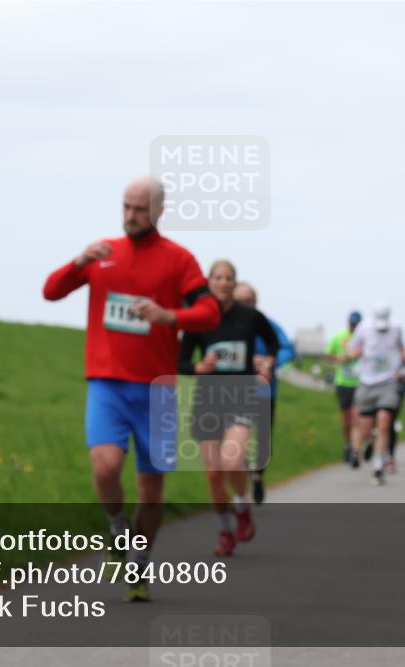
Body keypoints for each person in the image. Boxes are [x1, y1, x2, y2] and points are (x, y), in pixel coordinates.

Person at [42, 176, 221, 601]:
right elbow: (50, 292)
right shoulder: (103, 254)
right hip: (107, 382)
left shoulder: (179, 260)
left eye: (140, 209)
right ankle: (118, 529)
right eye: (125, 207)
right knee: (104, 467)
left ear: (158, 210)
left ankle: (139, 567)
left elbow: (210, 312)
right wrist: (78, 261)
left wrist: (169, 316)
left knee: (151, 489)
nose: (130, 216)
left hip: (157, 391)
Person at [181, 261, 279, 556]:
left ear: (234, 284)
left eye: (229, 278)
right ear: (209, 281)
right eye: (218, 277)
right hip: (208, 399)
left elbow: (273, 342)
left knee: (232, 461)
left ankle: (242, 504)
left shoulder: (249, 317)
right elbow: (179, 361)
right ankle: (225, 529)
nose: (223, 283)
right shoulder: (198, 319)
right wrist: (198, 367)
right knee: (213, 474)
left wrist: (267, 362)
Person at [232, 282, 296, 504]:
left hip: (264, 390)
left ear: (256, 302)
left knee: (262, 438)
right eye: (240, 301)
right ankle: (240, 485)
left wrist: (268, 362)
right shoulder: (228, 324)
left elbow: (287, 348)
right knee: (237, 438)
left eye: (248, 301)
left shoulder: (268, 324)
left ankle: (258, 475)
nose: (245, 305)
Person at [344, 304, 405, 486]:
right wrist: (355, 353)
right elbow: (351, 349)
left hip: (388, 383)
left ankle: (378, 467)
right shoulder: (363, 328)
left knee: (384, 422)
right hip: (367, 382)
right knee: (364, 429)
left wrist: (404, 358)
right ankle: (362, 447)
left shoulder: (396, 328)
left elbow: (403, 349)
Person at [325, 311, 363, 467]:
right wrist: (339, 358)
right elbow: (328, 354)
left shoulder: (364, 337)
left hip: (360, 382)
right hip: (343, 382)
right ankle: (348, 445)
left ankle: (355, 449)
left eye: (357, 324)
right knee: (346, 419)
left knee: (357, 417)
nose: (354, 327)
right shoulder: (339, 336)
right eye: (352, 324)